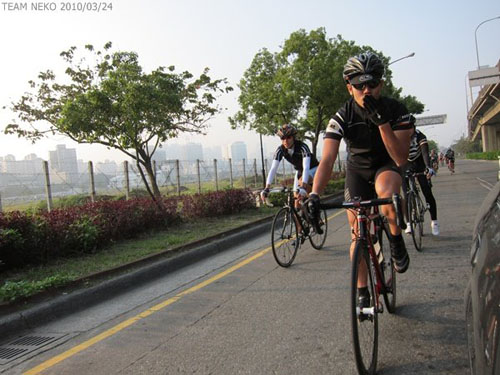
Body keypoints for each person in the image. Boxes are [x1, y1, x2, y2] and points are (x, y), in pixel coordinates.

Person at [307, 51, 414, 307]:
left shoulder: (396, 110)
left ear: (381, 84)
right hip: (357, 171)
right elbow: (328, 160)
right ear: (349, 87)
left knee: (386, 192)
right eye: (359, 84)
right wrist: (314, 194)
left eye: (372, 83)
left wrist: (382, 123)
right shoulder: (342, 116)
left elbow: (400, 158)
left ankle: (396, 239)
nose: (366, 90)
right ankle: (363, 292)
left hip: (386, 165)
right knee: (357, 234)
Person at [261, 124, 319, 238]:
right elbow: (273, 168)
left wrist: (303, 186)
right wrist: (266, 188)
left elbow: (306, 167)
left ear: (293, 137)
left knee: (303, 190)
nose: (285, 141)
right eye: (282, 138)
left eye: (288, 138)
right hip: (299, 170)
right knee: (295, 202)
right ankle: (300, 231)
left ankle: (316, 217)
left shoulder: (302, 147)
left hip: (313, 169)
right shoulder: (280, 150)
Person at [402, 129, 439, 236]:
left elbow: (425, 153)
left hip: (420, 165)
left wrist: (428, 167)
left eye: (408, 128)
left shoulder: (420, 136)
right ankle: (409, 223)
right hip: (405, 165)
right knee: (405, 194)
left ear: (413, 127)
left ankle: (434, 222)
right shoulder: (399, 135)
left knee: (427, 192)